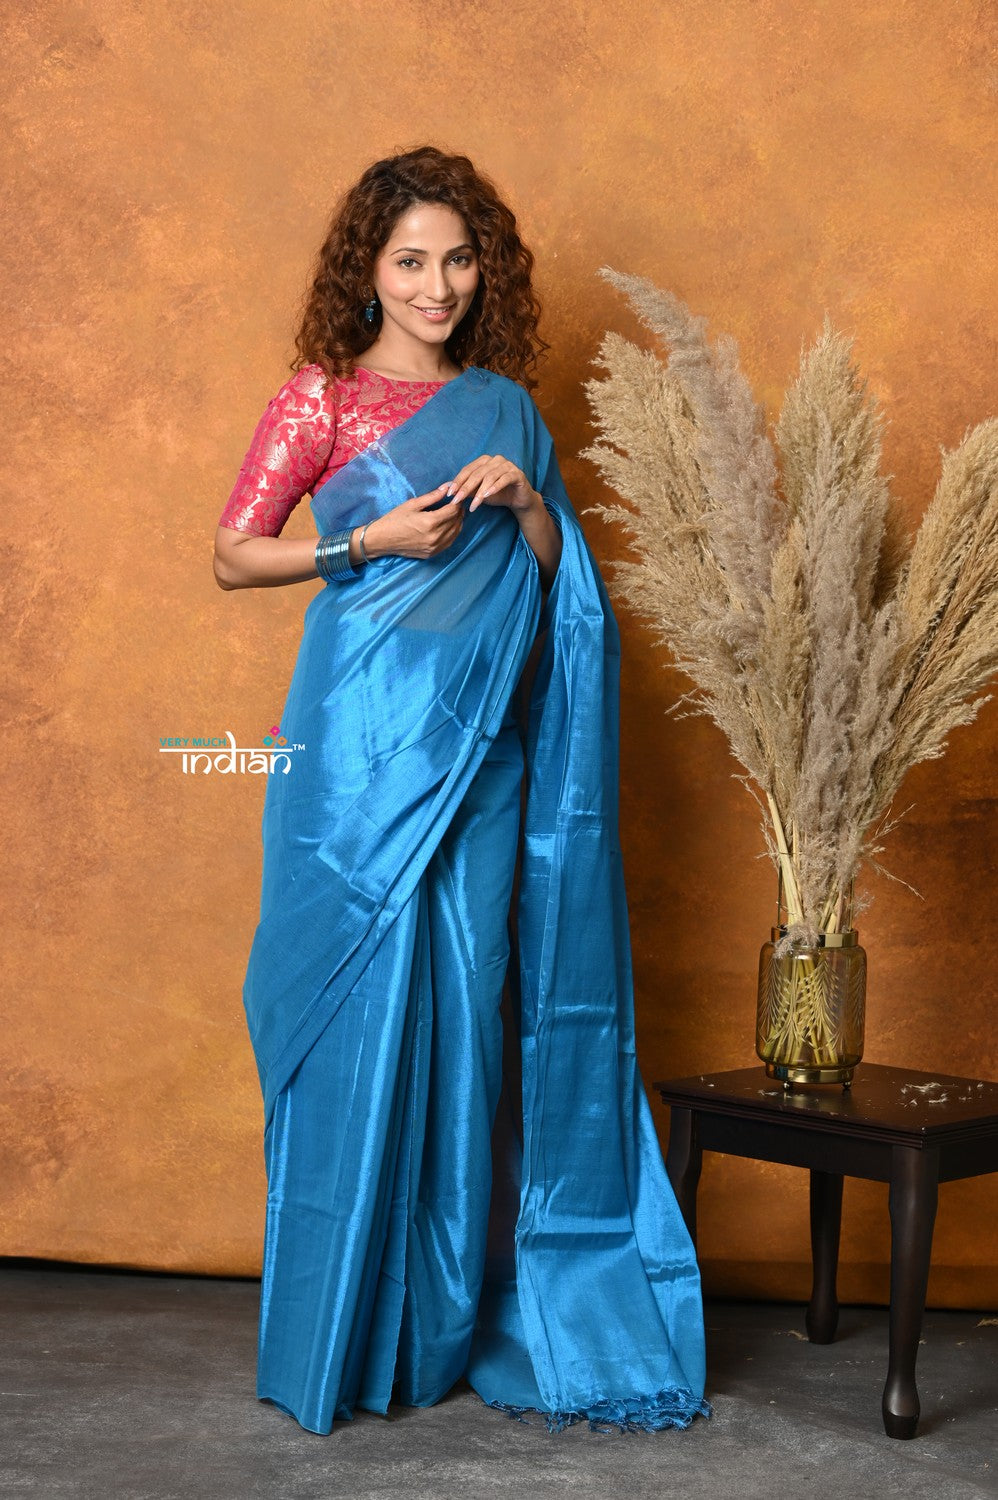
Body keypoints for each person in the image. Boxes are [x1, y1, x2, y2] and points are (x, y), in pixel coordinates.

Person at [213, 145, 709, 1437]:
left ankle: (431, 1322)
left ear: (485, 269)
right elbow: (234, 554)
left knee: (468, 1015)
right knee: (342, 1011)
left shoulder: (505, 411)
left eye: (458, 259)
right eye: (409, 262)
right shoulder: (320, 399)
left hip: (479, 757)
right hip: (351, 760)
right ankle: (334, 1325)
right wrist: (365, 540)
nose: (437, 286)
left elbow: (552, 582)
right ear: (367, 272)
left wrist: (527, 502)